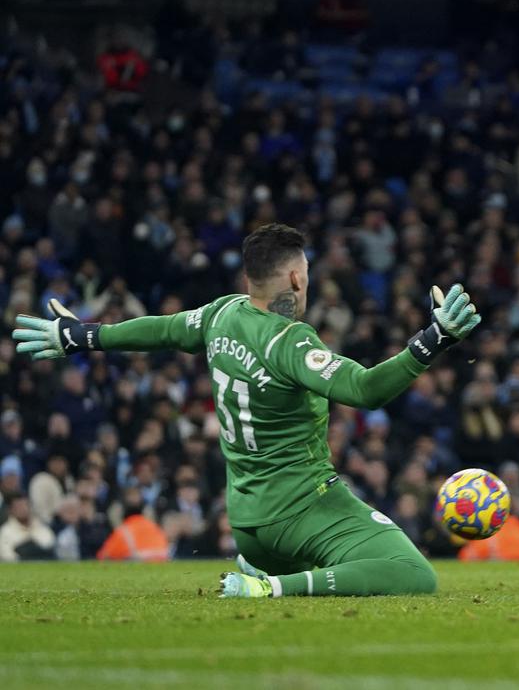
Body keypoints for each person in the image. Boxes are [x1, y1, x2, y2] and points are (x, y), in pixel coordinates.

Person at [12, 224, 481, 597]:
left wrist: (84, 335)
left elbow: (161, 330)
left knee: (346, 578)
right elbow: (364, 389)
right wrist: (433, 340)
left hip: (248, 525)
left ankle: (269, 574)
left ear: (248, 279)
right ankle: (271, 586)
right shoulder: (289, 340)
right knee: (413, 573)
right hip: (302, 509)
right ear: (297, 278)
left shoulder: (222, 315)